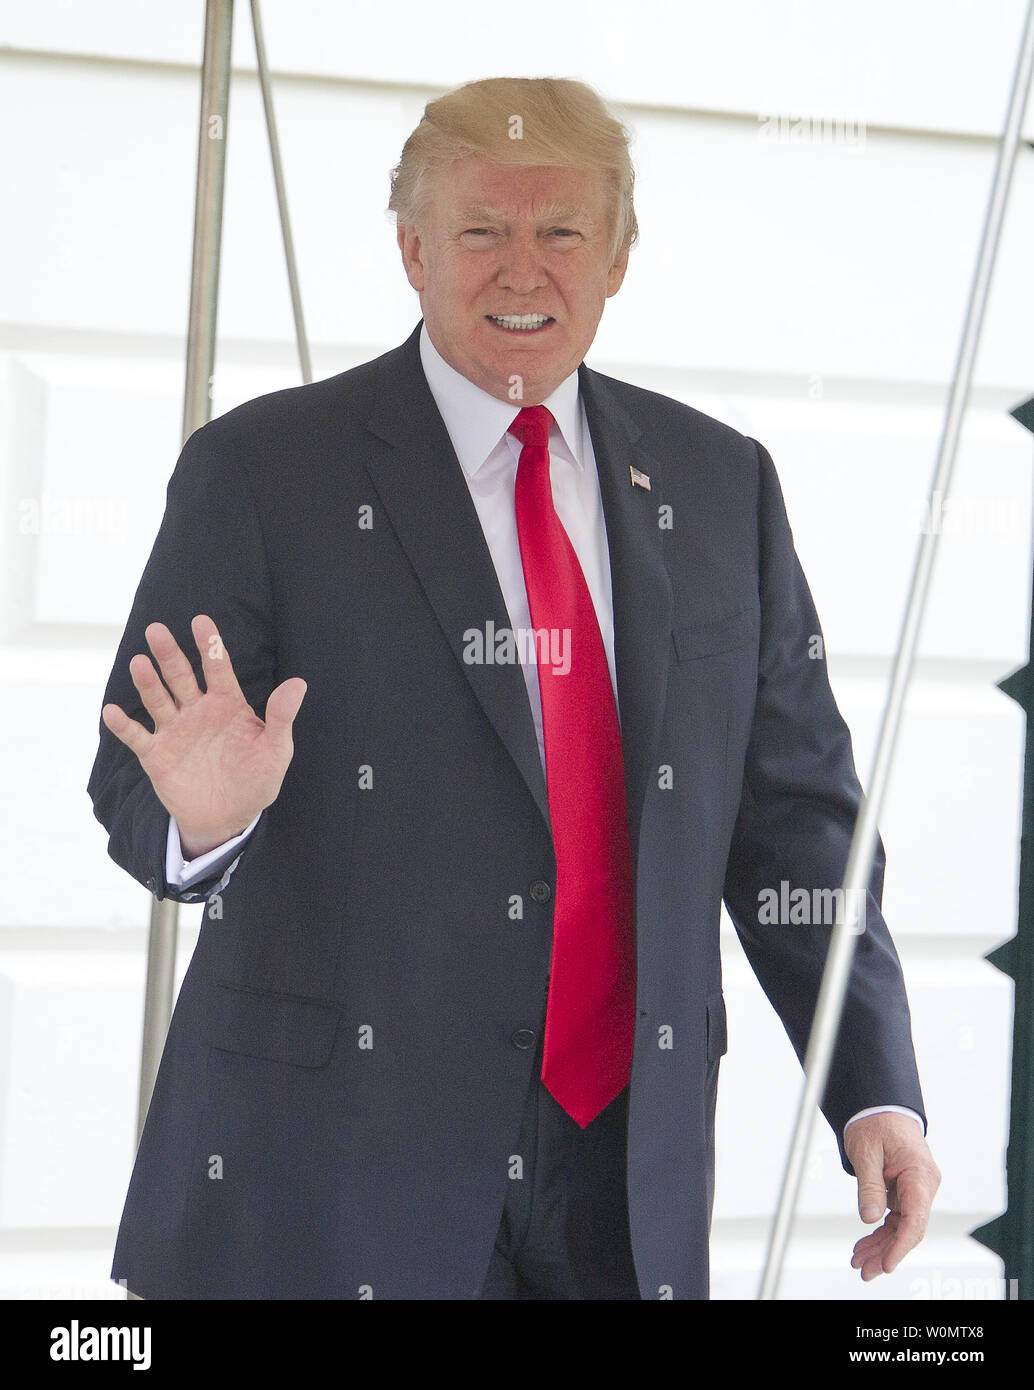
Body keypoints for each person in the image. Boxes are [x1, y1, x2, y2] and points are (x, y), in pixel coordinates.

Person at [88, 75, 940, 1300]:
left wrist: (872, 1083)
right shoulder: (264, 472)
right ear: (412, 249)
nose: (521, 272)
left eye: (562, 233)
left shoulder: (720, 486)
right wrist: (203, 819)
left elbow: (797, 821)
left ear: (619, 258)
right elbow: (134, 780)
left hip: (623, 1177)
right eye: (481, 231)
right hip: (331, 1178)